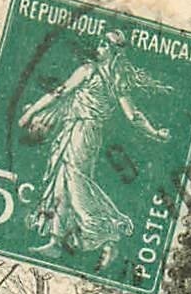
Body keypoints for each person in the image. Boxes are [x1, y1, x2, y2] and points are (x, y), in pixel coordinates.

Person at [17, 29, 172, 271]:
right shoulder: (111, 79)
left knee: (75, 182)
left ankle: (108, 230)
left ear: (114, 52)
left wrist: (30, 112)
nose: (99, 46)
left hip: (83, 131)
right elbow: (132, 115)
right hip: (77, 129)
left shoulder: (92, 72)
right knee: (62, 183)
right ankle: (56, 241)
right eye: (100, 42)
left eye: (104, 44)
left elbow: (59, 93)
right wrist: (154, 132)